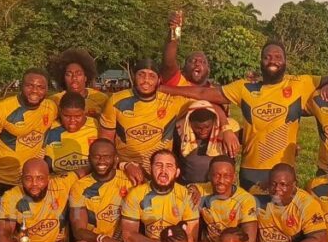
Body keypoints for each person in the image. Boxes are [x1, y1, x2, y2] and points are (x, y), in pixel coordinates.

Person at [161, 41, 328, 189]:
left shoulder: (301, 84)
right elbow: (202, 92)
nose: (273, 60)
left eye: (278, 56)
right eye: (267, 56)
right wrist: (164, 89)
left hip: (284, 172)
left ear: (285, 61)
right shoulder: (244, 88)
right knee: (253, 226)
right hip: (251, 170)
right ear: (261, 61)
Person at [100, 59, 234, 184]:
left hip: (161, 171)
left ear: (159, 80)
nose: (146, 80)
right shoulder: (115, 101)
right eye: (141, 75)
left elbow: (208, 103)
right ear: (134, 75)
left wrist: (226, 129)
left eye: (151, 76)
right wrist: (125, 165)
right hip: (127, 171)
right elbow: (105, 144)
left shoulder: (171, 101)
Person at [0, 69, 58, 214]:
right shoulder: (1, 109)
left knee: (26, 229)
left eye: (41, 87)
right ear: (21, 85)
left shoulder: (50, 107)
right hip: (1, 180)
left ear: (47, 89)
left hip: (30, 182)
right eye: (30, 85)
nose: (35, 91)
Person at [121, 150, 201, 242]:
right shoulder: (136, 194)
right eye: (158, 165)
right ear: (151, 169)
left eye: (169, 166)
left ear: (177, 172)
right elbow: (128, 235)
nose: (163, 171)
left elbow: (191, 238)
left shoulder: (186, 195)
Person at [187, 156, 259, 242]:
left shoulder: (245, 199)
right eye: (216, 175)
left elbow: (250, 239)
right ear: (209, 175)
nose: (221, 180)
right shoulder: (202, 191)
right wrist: (191, 188)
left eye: (226, 176)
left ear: (234, 177)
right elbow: (186, 188)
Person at [173, 103, 240, 184]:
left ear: (214, 122)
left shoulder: (226, 133)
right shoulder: (181, 131)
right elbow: (175, 157)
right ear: (189, 123)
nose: (203, 131)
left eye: (207, 127)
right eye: (198, 128)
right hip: (188, 184)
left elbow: (232, 158)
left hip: (217, 185)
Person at [44, 93, 100, 174]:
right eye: (66, 116)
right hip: (58, 181)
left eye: (77, 116)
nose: (72, 121)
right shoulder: (50, 128)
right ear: (60, 111)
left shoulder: (96, 125)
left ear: (84, 111)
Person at [47, 48, 109, 118]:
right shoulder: (54, 100)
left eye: (78, 74)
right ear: (63, 78)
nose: (74, 78)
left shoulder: (101, 99)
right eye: (69, 74)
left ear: (85, 77)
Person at [162, 11, 214, 88]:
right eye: (192, 61)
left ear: (208, 69)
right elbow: (169, 62)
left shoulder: (216, 93)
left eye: (202, 62)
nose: (197, 64)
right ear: (184, 68)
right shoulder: (178, 83)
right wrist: (175, 28)